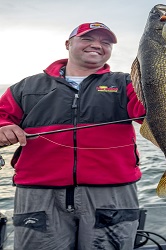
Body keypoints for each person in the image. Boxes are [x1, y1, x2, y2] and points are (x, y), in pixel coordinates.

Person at [0, 22, 146, 250]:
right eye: (88, 39)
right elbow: (2, 117)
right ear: (68, 44)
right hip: (39, 193)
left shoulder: (127, 83)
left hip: (112, 192)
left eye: (105, 42)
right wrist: (4, 128)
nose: (97, 45)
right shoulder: (26, 86)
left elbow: (152, 114)